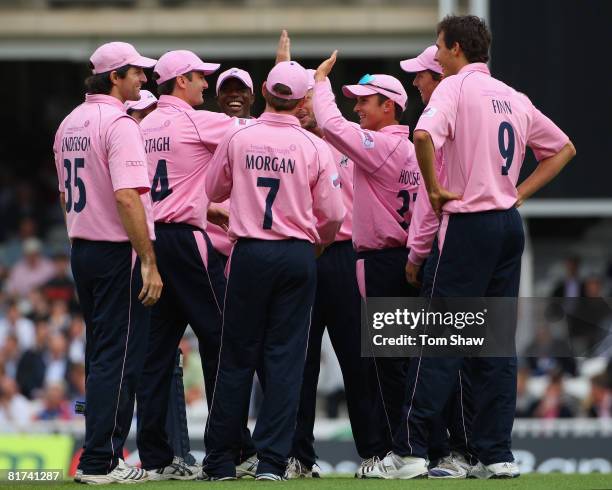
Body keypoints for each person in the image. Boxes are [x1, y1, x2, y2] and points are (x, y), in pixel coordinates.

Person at [366, 15, 575, 480]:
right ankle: (496, 454)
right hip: (507, 224)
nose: (436, 55)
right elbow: (562, 149)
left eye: (439, 47)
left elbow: (422, 135)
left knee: (442, 337)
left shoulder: (453, 88)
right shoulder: (512, 95)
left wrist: (436, 187)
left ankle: (415, 451)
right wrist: (518, 193)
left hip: (468, 223)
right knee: (497, 346)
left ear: (456, 48)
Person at [202, 60, 344, 481]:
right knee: (285, 362)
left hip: (249, 253)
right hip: (297, 253)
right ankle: (271, 463)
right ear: (302, 101)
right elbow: (334, 213)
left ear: (264, 90)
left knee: (235, 358)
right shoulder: (314, 145)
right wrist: (316, 244)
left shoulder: (238, 135)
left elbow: (213, 191)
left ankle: (221, 461)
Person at [53, 41, 162, 484]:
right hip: (117, 250)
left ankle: (103, 452)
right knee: (118, 359)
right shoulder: (118, 123)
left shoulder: (68, 123)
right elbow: (127, 196)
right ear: (114, 76)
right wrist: (148, 260)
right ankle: (101, 460)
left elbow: (66, 194)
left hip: (83, 247)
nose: (143, 78)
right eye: (136, 71)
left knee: (101, 355)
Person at [312, 51, 421, 476]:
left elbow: (332, 127)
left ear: (388, 106)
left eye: (364, 102)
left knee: (391, 366)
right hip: (403, 258)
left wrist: (321, 83)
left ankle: (403, 453)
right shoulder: (409, 146)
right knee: (402, 362)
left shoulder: (384, 145)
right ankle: (416, 448)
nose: (356, 109)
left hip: (384, 262)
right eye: (354, 101)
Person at [135, 49, 235, 481]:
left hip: (152, 241)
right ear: (180, 81)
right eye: (198, 78)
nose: (205, 85)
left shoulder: (144, 123)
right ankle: (223, 454)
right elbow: (254, 133)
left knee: (154, 353)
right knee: (223, 341)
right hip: (187, 242)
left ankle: (156, 457)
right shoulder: (194, 120)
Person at [286, 68, 383, 478]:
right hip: (303, 255)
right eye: (297, 98)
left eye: (310, 98)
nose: (303, 106)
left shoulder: (349, 140)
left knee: (359, 361)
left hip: (345, 254)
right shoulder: (285, 141)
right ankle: (297, 456)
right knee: (298, 363)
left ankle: (377, 453)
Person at [401, 45, 475, 479]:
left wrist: (416, 253)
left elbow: (433, 202)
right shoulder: (476, 113)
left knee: (436, 350)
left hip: (441, 248)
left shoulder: (437, 125)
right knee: (471, 348)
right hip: (487, 236)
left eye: (422, 76)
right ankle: (476, 450)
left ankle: (437, 450)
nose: (417, 82)